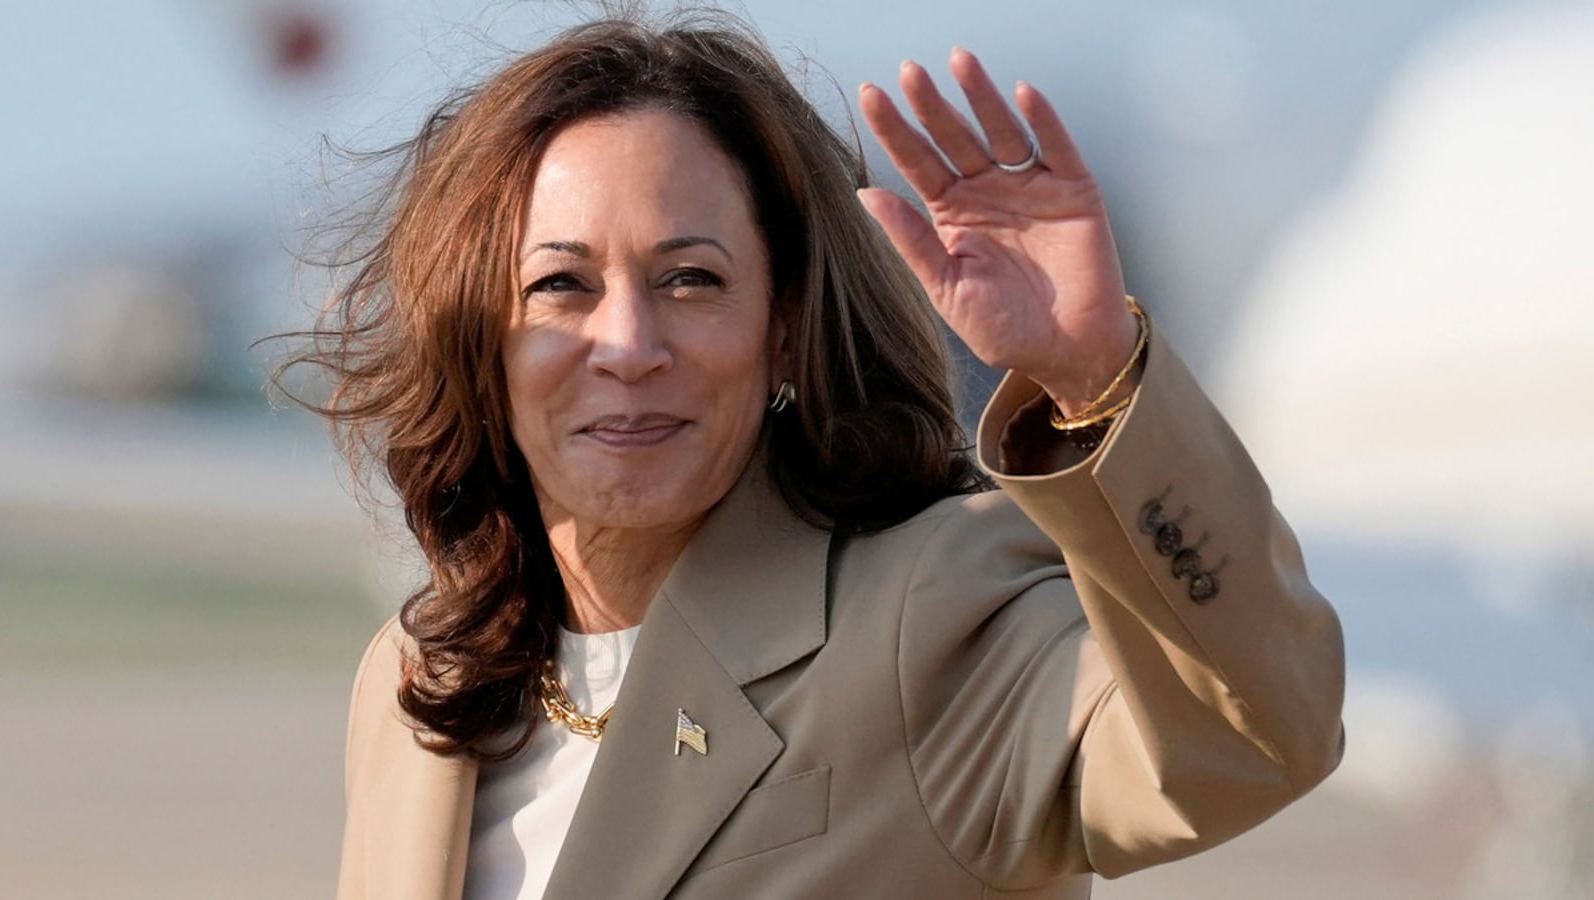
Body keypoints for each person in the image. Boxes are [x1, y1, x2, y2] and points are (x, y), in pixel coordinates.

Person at [285, 10, 1345, 900]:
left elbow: (1249, 745)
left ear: (783, 326)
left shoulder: (927, 610)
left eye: (690, 280)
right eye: (561, 286)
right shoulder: (419, 684)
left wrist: (1096, 375)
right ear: (482, 337)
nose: (629, 348)